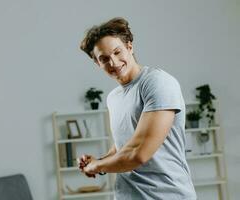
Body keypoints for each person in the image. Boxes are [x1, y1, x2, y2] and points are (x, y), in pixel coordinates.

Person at [78, 17, 197, 200]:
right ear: (97, 63)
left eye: (117, 52)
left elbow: (137, 153)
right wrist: (97, 161)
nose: (114, 62)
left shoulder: (157, 83)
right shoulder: (113, 98)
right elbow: (123, 146)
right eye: (104, 58)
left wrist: (98, 167)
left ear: (130, 47)